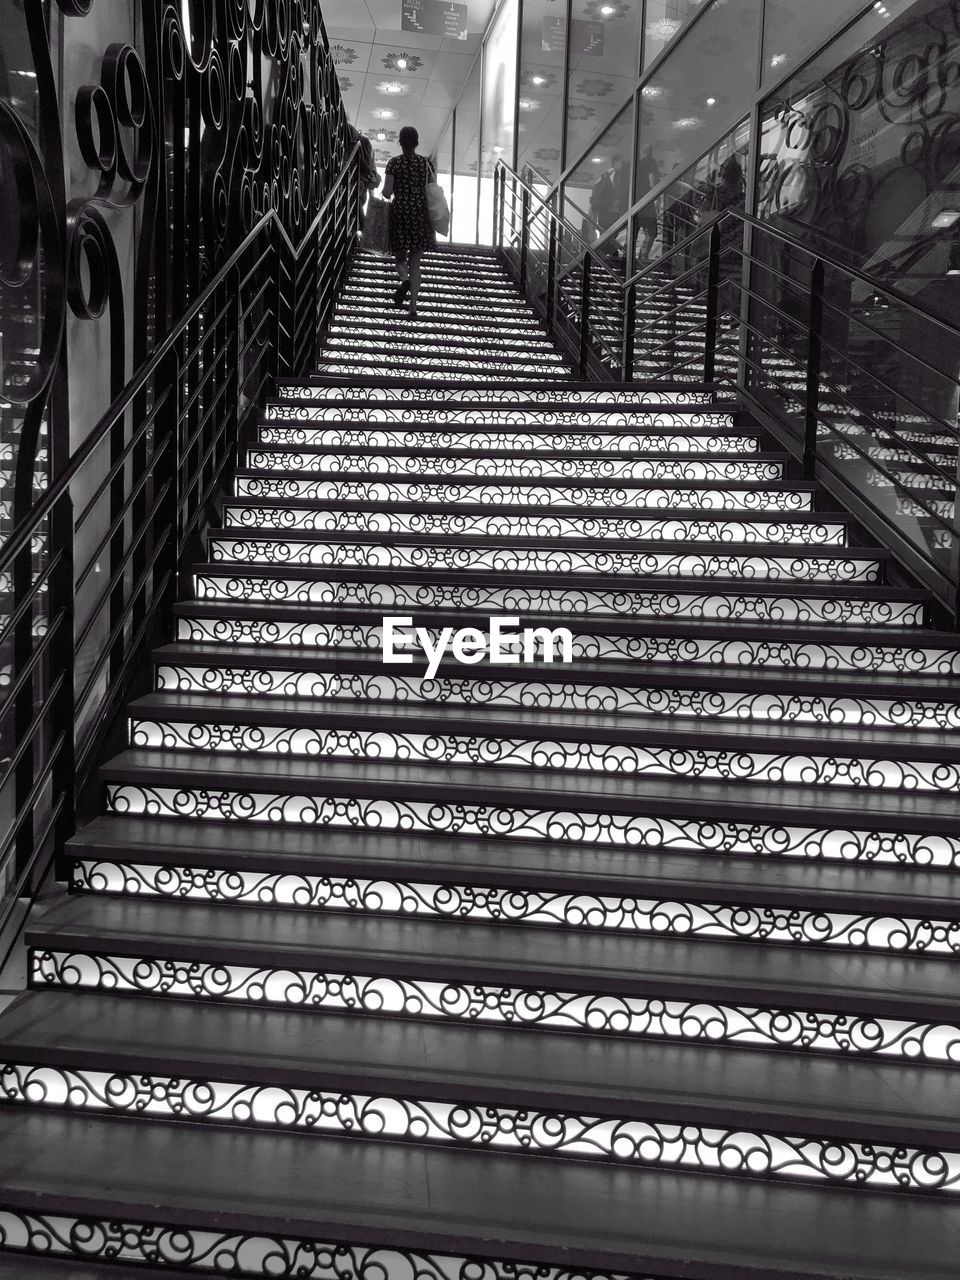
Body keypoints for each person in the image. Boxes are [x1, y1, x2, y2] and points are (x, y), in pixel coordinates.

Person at [381, 126, 437, 319]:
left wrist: (389, 190)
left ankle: (404, 280)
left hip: (400, 213)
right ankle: (413, 306)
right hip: (421, 214)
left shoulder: (394, 163)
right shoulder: (426, 163)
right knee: (416, 262)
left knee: (399, 257)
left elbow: (388, 192)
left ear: (400, 143)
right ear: (417, 143)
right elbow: (432, 187)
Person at [345, 122, 380, 230]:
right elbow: (370, 167)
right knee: (356, 216)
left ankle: (364, 230)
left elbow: (369, 167)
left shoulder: (349, 133)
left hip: (352, 185)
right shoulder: (364, 141)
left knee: (352, 215)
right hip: (358, 187)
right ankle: (364, 232)